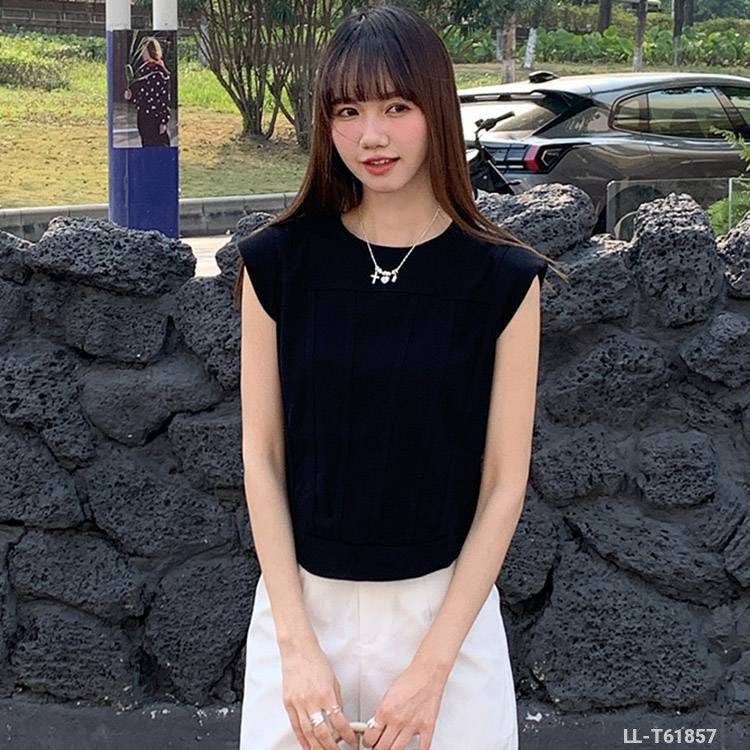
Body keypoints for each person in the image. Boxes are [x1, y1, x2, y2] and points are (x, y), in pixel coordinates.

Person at [233, 5, 563, 750]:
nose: (371, 136)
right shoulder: (277, 263)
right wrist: (296, 648)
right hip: (302, 615)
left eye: (396, 107)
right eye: (347, 111)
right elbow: (263, 455)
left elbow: (504, 482)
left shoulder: (503, 278)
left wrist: (432, 671)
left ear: (436, 109)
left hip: (445, 621)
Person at [124, 36, 171, 147]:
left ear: (151, 51)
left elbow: (164, 99)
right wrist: (130, 96)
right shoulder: (143, 70)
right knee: (146, 143)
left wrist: (163, 121)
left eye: (145, 51)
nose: (143, 54)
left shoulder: (160, 72)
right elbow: (141, 95)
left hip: (155, 117)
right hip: (143, 116)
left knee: (159, 145)